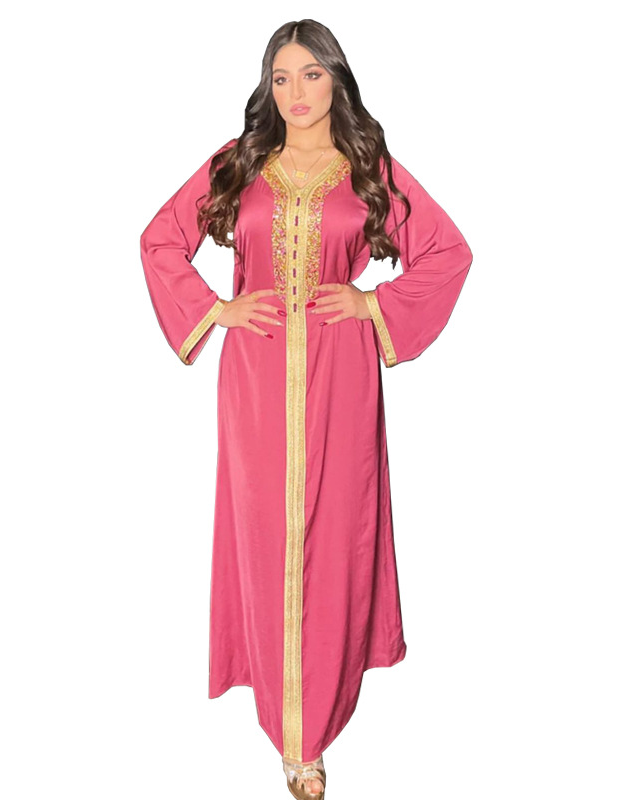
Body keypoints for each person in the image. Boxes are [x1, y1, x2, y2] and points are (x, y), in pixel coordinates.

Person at [139, 19, 473, 800]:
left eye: (312, 74)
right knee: (264, 534)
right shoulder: (239, 163)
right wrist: (215, 310)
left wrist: (372, 302)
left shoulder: (367, 168)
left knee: (334, 531)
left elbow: (448, 252)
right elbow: (159, 240)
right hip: (255, 380)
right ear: (268, 85)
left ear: (337, 79)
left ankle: (312, 730)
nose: (296, 92)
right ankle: (283, 722)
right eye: (282, 77)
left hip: (342, 376)